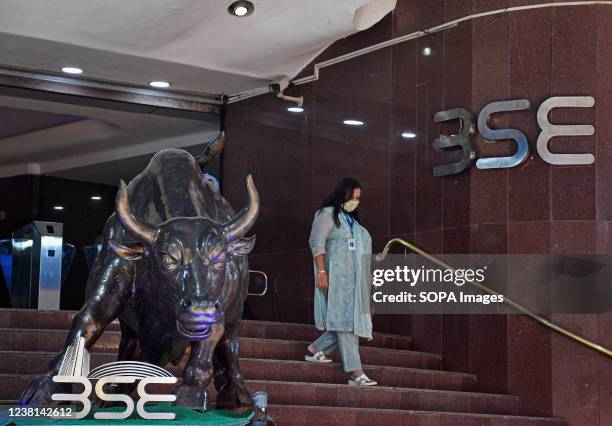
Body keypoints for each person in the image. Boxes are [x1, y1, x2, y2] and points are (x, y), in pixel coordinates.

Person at [305, 177, 377, 386]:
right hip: (336, 280)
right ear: (342, 194)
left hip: (355, 285)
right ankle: (357, 373)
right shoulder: (326, 215)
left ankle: (316, 349)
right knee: (346, 325)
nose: (355, 201)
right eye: (352, 197)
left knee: (347, 323)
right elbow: (316, 242)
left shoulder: (353, 223)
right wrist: (321, 272)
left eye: (358, 198)